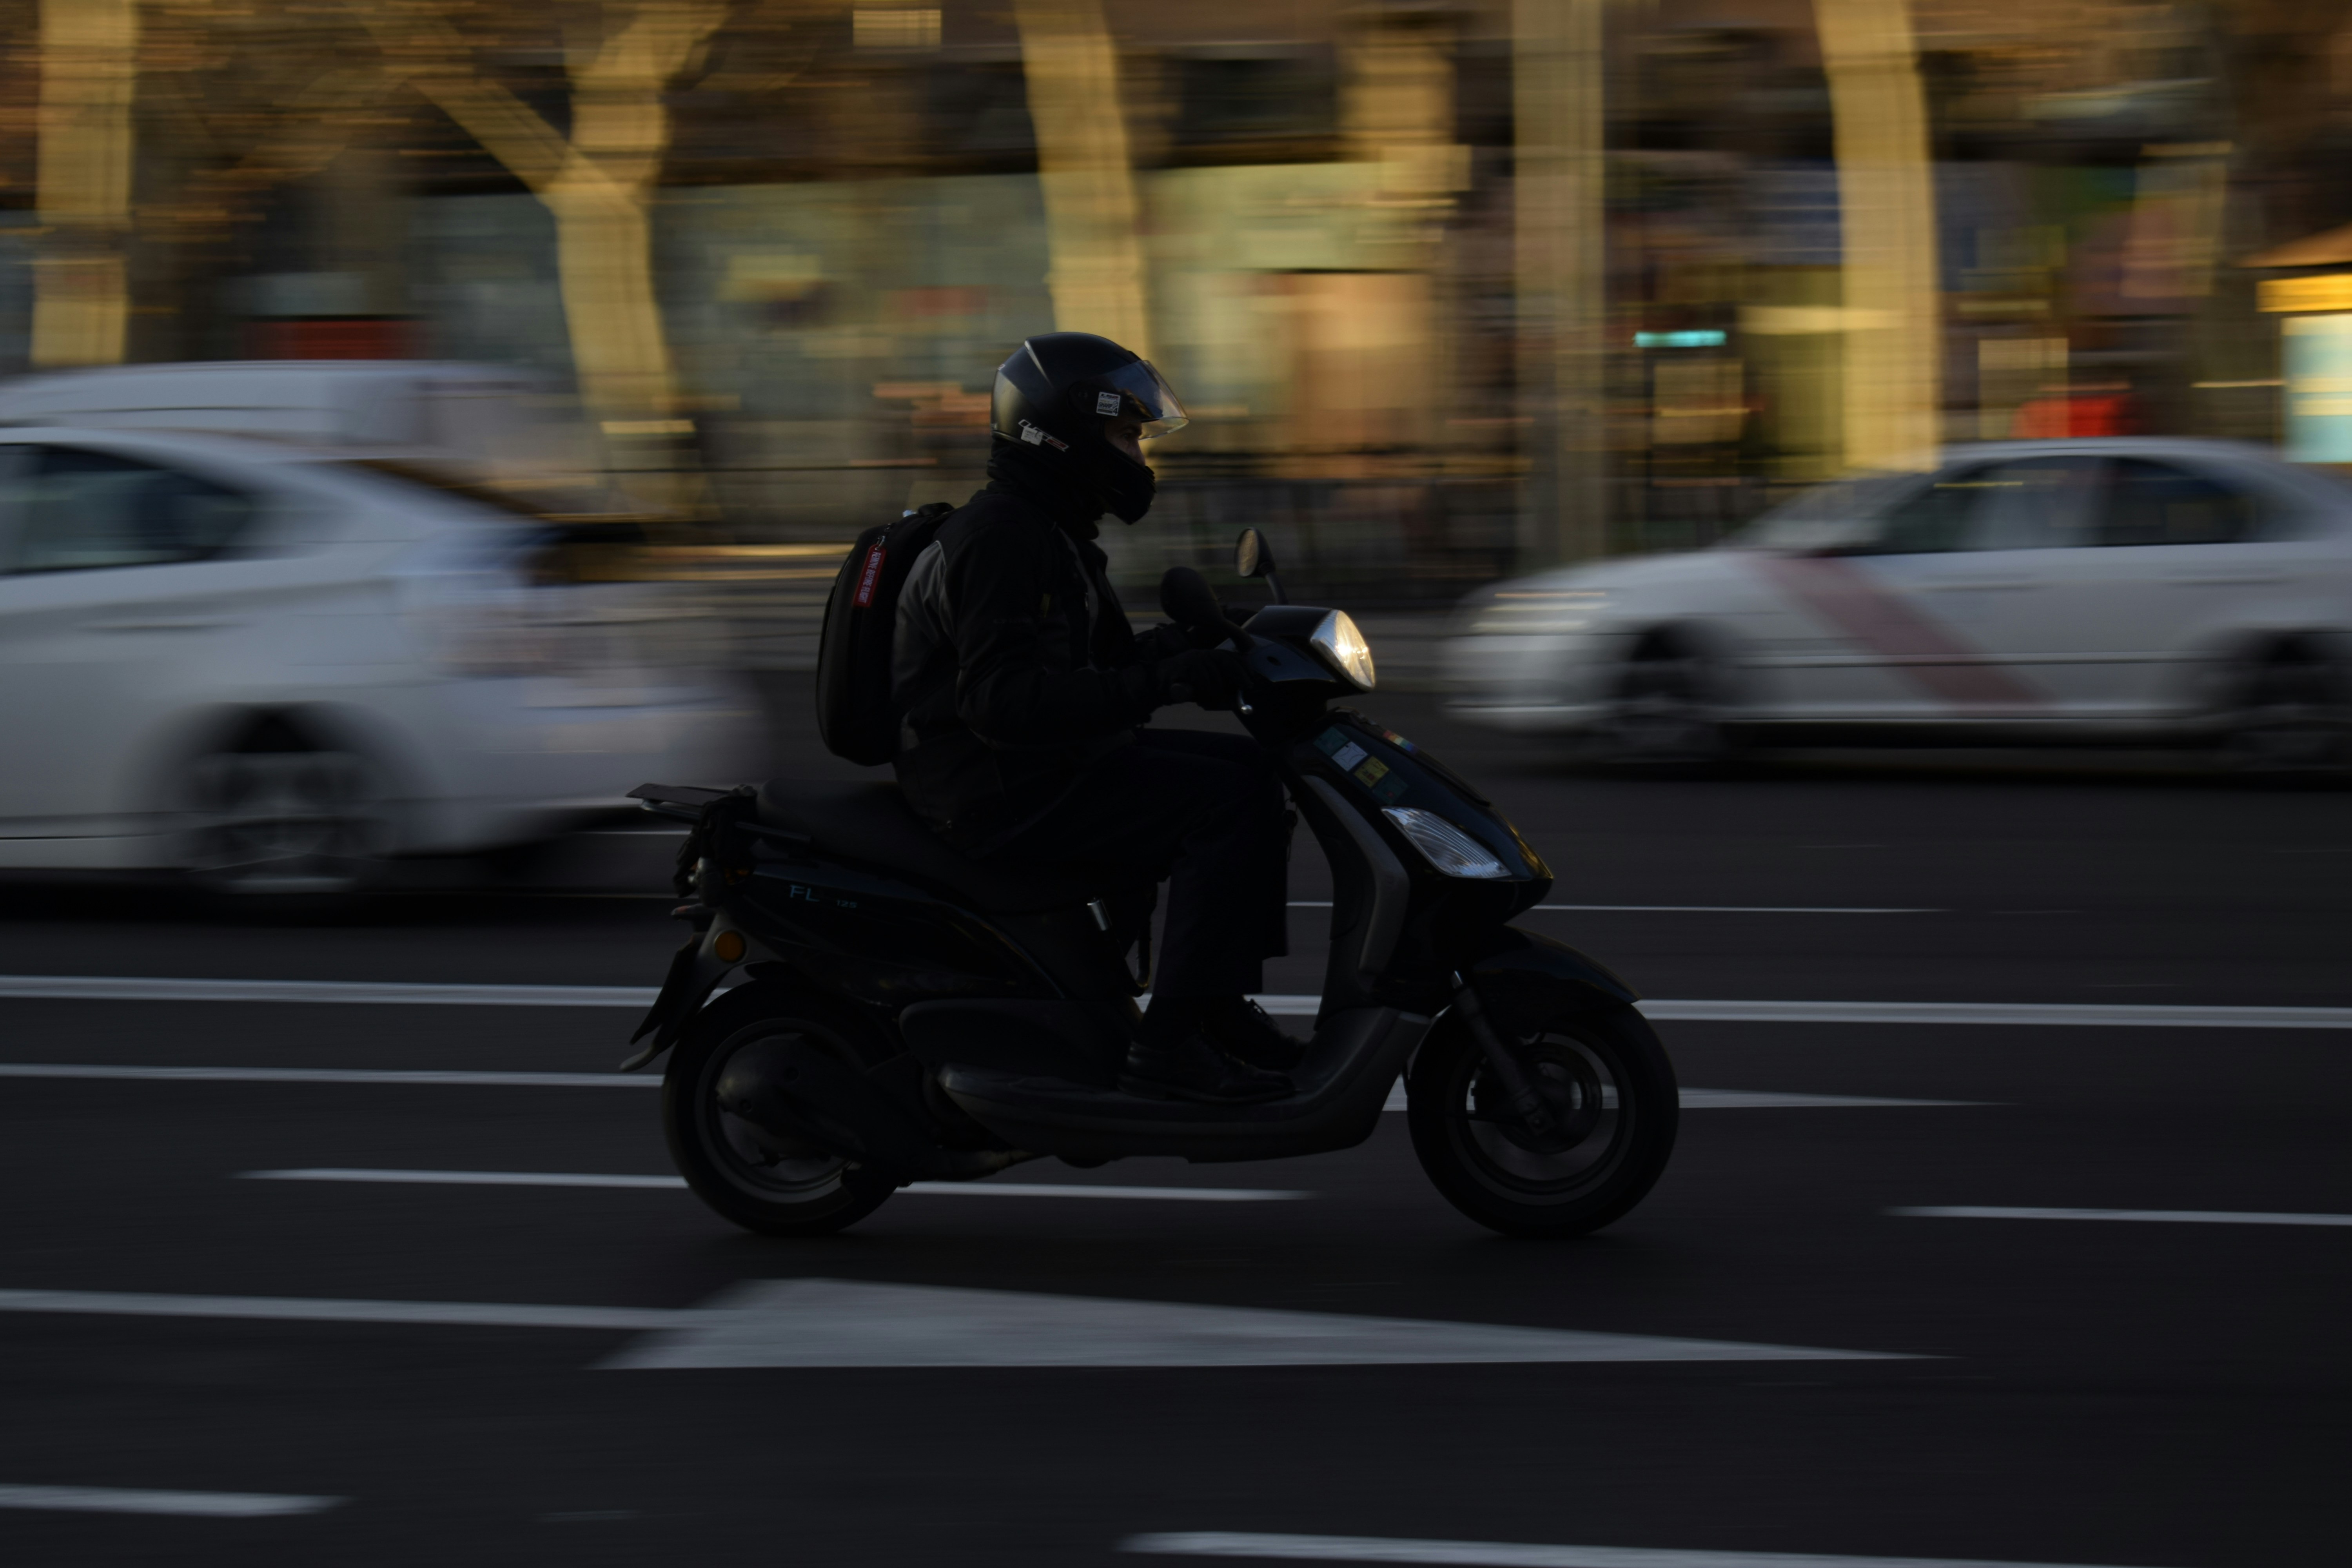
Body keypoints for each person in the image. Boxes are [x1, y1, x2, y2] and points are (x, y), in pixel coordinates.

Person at [891, 332, 1297, 1104]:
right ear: (1065, 435)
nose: (1139, 456)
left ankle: (1214, 1005)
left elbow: (1097, 668)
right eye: (1126, 435)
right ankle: (1169, 1045)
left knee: (1252, 770)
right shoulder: (1003, 537)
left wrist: (1193, 645)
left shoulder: (1052, 532)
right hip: (997, 791)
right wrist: (1165, 681)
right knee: (1229, 803)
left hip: (1040, 766)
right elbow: (1001, 703)